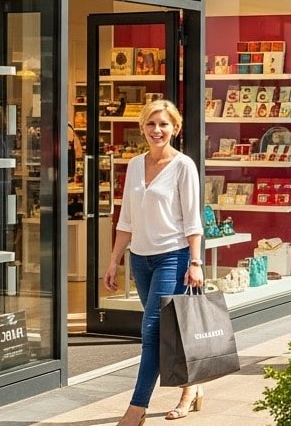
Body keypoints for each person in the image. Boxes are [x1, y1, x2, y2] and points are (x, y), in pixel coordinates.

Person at [102, 100, 204, 426]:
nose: (157, 130)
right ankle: (192, 388)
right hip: (140, 259)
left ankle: (137, 408)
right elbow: (126, 219)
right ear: (143, 127)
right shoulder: (133, 165)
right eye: (151, 124)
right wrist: (114, 261)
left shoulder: (183, 166)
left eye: (163, 124)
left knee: (151, 332)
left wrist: (196, 261)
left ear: (175, 128)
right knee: (166, 332)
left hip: (172, 258)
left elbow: (193, 219)